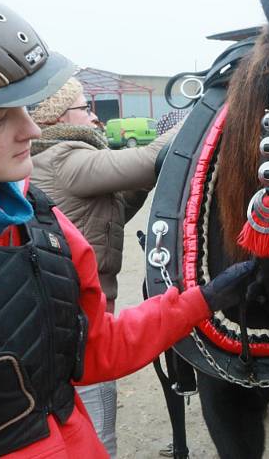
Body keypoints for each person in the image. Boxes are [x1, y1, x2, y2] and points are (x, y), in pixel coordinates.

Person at [0, 0, 254, 459]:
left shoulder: (42, 223)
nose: (32, 130)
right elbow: (143, 164)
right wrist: (194, 125)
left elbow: (95, 348)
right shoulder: (65, 167)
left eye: (27, 109)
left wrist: (200, 301)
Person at [29, 77, 182, 456]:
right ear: (59, 116)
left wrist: (142, 182)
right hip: (78, 325)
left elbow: (110, 214)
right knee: (98, 437)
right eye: (85, 107)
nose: (95, 117)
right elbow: (148, 161)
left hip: (71, 320)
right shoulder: (63, 157)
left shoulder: (57, 159)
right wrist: (202, 112)